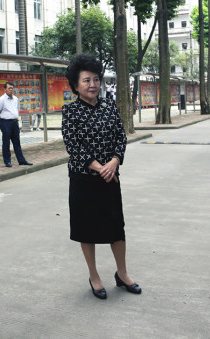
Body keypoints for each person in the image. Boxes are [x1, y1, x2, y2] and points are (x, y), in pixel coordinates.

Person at [62, 54, 141, 300]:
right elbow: (73, 145)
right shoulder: (71, 111)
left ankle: (122, 273)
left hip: (110, 179)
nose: (93, 84)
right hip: (84, 179)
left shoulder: (109, 106)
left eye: (96, 79)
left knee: (117, 228)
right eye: (86, 80)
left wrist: (114, 162)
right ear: (75, 85)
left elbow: (121, 137)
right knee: (87, 229)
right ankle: (94, 276)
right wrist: (99, 167)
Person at [0, 82, 33, 167]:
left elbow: (16, 109)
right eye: (9, 88)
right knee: (6, 143)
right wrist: (3, 119)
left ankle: (21, 160)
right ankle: (7, 161)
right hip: (6, 123)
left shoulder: (16, 99)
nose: (11, 90)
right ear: (5, 89)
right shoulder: (1, 100)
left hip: (15, 123)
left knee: (17, 142)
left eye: (12, 88)